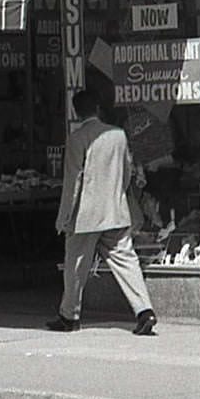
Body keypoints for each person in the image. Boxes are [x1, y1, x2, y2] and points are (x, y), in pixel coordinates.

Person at [48, 86, 157, 336]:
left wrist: (64, 217)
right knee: (127, 261)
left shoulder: (77, 139)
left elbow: (73, 180)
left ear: (77, 113)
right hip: (115, 211)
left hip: (85, 217)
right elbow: (127, 172)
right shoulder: (118, 135)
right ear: (98, 108)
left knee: (75, 266)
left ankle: (69, 316)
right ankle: (144, 311)